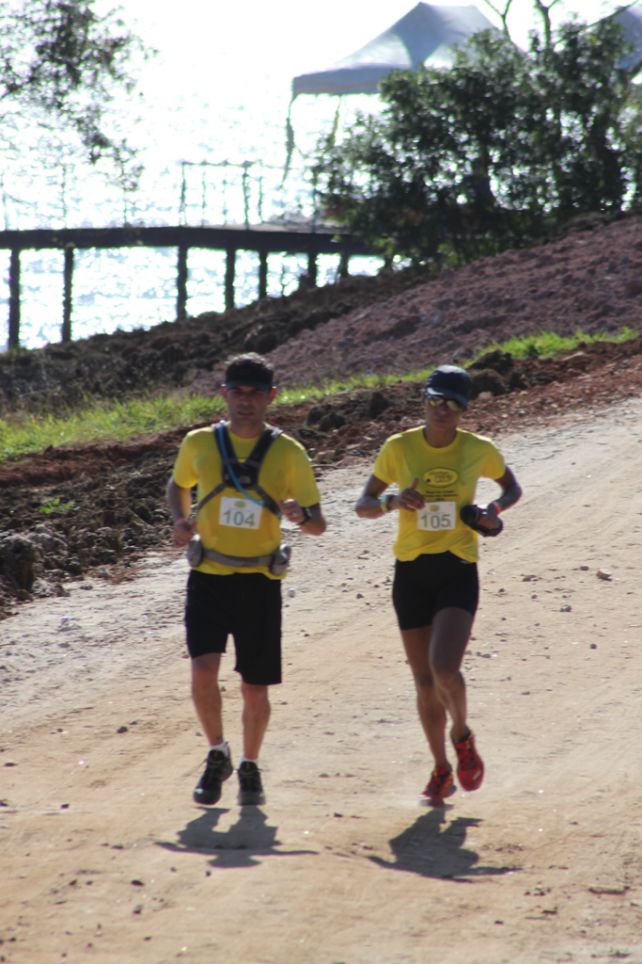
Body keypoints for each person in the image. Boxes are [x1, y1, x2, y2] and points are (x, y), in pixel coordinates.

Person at [355, 364, 521, 805]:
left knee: (444, 668)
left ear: (464, 409)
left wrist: (493, 509)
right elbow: (363, 504)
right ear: (423, 401)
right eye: (434, 400)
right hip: (411, 570)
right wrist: (393, 501)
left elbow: (512, 488)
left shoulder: (477, 449)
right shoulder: (400, 448)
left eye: (452, 403)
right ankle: (441, 769)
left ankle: (462, 737)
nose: (442, 410)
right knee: (425, 683)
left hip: (457, 566)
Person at [167, 352, 326, 807]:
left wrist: (300, 516)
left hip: (259, 581)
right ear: (224, 395)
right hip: (209, 577)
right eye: (237, 392)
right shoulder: (199, 443)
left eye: (255, 393)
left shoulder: (288, 452)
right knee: (202, 673)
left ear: (272, 397)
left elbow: (318, 523)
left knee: (254, 688)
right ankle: (217, 753)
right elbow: (177, 485)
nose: (245, 401)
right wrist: (180, 520)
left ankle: (250, 765)